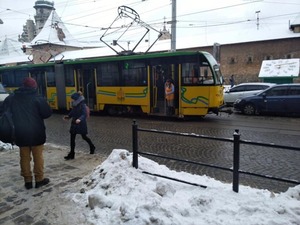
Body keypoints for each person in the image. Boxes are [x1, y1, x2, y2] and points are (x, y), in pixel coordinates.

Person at [3, 77, 52, 189]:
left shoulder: (13, 98)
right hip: (36, 132)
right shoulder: (38, 98)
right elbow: (47, 113)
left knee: (24, 158)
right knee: (38, 157)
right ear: (34, 87)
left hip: (20, 132)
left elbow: (4, 110)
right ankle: (39, 179)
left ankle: (28, 181)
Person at [63, 92, 95, 160]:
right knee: (72, 138)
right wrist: (68, 116)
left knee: (84, 136)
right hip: (74, 122)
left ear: (77, 99)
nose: (72, 100)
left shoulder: (82, 105)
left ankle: (92, 146)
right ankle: (72, 154)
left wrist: (80, 119)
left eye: (73, 99)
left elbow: (84, 114)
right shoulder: (75, 104)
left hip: (81, 123)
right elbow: (73, 112)